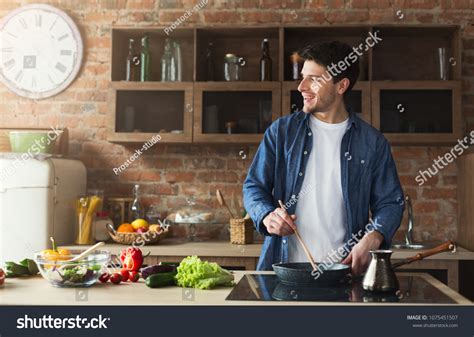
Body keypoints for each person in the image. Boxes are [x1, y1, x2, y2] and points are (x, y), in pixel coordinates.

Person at [243, 41, 405, 275]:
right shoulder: (282, 132)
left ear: (341, 86)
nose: (301, 87)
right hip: (284, 271)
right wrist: (267, 215)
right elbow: (253, 186)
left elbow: (390, 202)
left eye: (313, 79)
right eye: (302, 77)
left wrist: (374, 236)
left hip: (345, 273)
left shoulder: (373, 143)